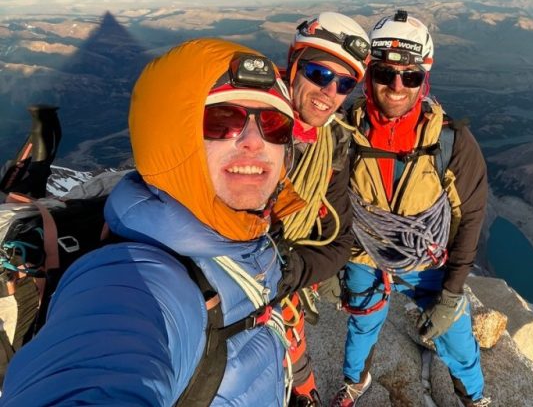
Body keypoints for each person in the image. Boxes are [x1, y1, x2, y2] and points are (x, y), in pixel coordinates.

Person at [0, 38, 306, 406]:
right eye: (224, 120)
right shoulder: (136, 280)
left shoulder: (244, 237)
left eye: (274, 125)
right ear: (170, 137)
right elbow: (99, 365)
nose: (255, 142)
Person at [331, 11, 491, 407]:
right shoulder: (343, 134)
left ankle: (473, 396)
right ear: (369, 75)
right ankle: (355, 381)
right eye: (385, 73)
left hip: (428, 264)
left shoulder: (453, 142)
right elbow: (330, 201)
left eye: (411, 76)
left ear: (425, 78)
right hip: (362, 255)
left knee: (457, 333)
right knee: (362, 323)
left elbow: (469, 218)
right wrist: (329, 261)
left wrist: (452, 293)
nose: (397, 86)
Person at [273, 12, 370, 407]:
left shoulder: (333, 146)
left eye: (344, 83)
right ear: (293, 67)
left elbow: (339, 241)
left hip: (283, 283)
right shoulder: (243, 121)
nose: (328, 91)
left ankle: (303, 394)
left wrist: (291, 271)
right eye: (318, 73)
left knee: (293, 348)